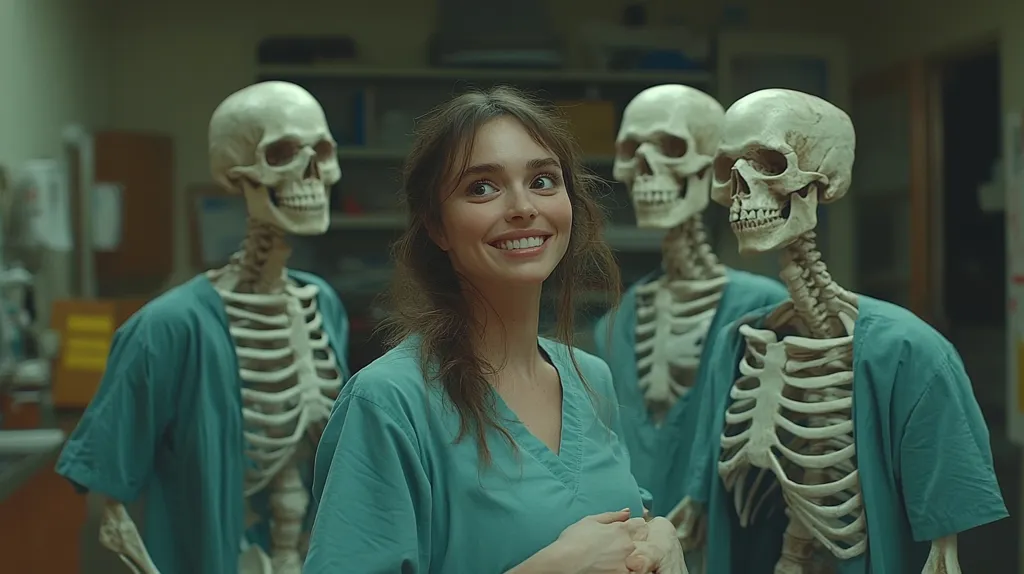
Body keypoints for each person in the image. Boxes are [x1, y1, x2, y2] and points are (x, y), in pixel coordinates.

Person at [304, 86, 687, 574]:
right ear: (436, 226)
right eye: (482, 188)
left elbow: (623, 519)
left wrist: (660, 535)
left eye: (543, 181)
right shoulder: (388, 403)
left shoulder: (591, 378)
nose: (523, 207)